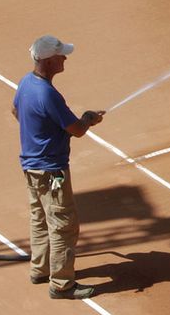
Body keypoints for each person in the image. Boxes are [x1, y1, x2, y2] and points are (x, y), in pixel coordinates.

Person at [13, 35, 104, 300]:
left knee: (39, 220)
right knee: (63, 226)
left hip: (30, 167)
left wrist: (40, 131)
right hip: (52, 171)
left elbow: (16, 111)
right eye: (61, 55)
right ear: (50, 60)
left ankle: (39, 269)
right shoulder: (49, 94)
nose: (65, 58)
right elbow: (76, 130)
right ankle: (62, 284)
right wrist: (88, 118)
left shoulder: (26, 83)